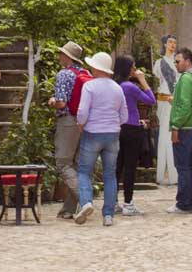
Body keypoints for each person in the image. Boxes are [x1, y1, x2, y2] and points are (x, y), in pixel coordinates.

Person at [74, 51, 128, 227]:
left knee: (84, 171)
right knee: (110, 175)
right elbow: (124, 116)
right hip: (112, 135)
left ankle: (86, 202)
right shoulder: (117, 88)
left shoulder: (89, 86)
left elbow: (82, 111)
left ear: (96, 68)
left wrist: (81, 124)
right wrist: (114, 124)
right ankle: (108, 215)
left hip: (92, 133)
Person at [46, 41, 89, 219]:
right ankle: (69, 209)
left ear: (67, 57)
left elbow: (62, 103)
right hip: (84, 122)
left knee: (63, 163)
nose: (59, 56)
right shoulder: (84, 73)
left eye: (61, 53)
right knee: (77, 165)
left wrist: (52, 102)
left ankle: (86, 200)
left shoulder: (64, 74)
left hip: (68, 122)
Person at [167, 47, 192, 214]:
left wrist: (175, 125)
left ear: (187, 61)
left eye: (178, 61)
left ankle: (184, 203)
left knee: (183, 167)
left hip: (185, 127)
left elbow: (184, 105)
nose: (176, 64)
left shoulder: (186, 79)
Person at [114, 54, 156, 215]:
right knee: (130, 167)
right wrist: (143, 80)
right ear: (127, 69)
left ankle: (113, 202)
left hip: (117, 128)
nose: (135, 69)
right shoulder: (130, 87)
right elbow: (151, 100)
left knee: (117, 167)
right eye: (133, 67)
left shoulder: (114, 85)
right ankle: (128, 203)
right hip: (132, 128)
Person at [154, 35, 179, 187]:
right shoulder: (159, 63)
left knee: (173, 135)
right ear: (164, 44)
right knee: (164, 135)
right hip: (164, 100)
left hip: (175, 100)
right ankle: (163, 172)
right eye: (170, 42)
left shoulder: (178, 62)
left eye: (175, 42)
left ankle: (174, 173)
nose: (173, 45)